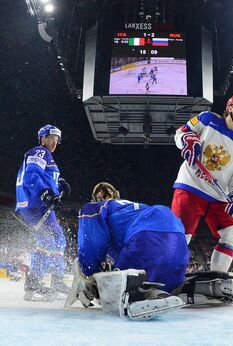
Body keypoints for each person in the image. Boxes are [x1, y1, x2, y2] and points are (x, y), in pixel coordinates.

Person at [69, 182, 187, 320]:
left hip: (145, 240)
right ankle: (194, 288)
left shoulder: (99, 207)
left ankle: (147, 293)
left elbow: (92, 241)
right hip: (179, 241)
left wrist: (90, 272)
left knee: (121, 290)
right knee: (169, 284)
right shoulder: (133, 208)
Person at [171, 94, 233, 273]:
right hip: (191, 186)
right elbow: (180, 133)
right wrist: (187, 139)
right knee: (180, 236)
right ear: (230, 107)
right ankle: (166, 280)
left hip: (218, 195)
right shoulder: (206, 118)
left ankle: (218, 278)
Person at [15, 125, 71, 301]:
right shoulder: (40, 152)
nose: (55, 141)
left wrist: (58, 182)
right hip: (36, 204)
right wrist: (44, 193)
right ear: (42, 138)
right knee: (48, 240)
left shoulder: (45, 157)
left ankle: (53, 281)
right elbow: (32, 176)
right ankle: (36, 282)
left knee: (57, 239)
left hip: (37, 205)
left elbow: (41, 174)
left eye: (57, 138)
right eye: (51, 137)